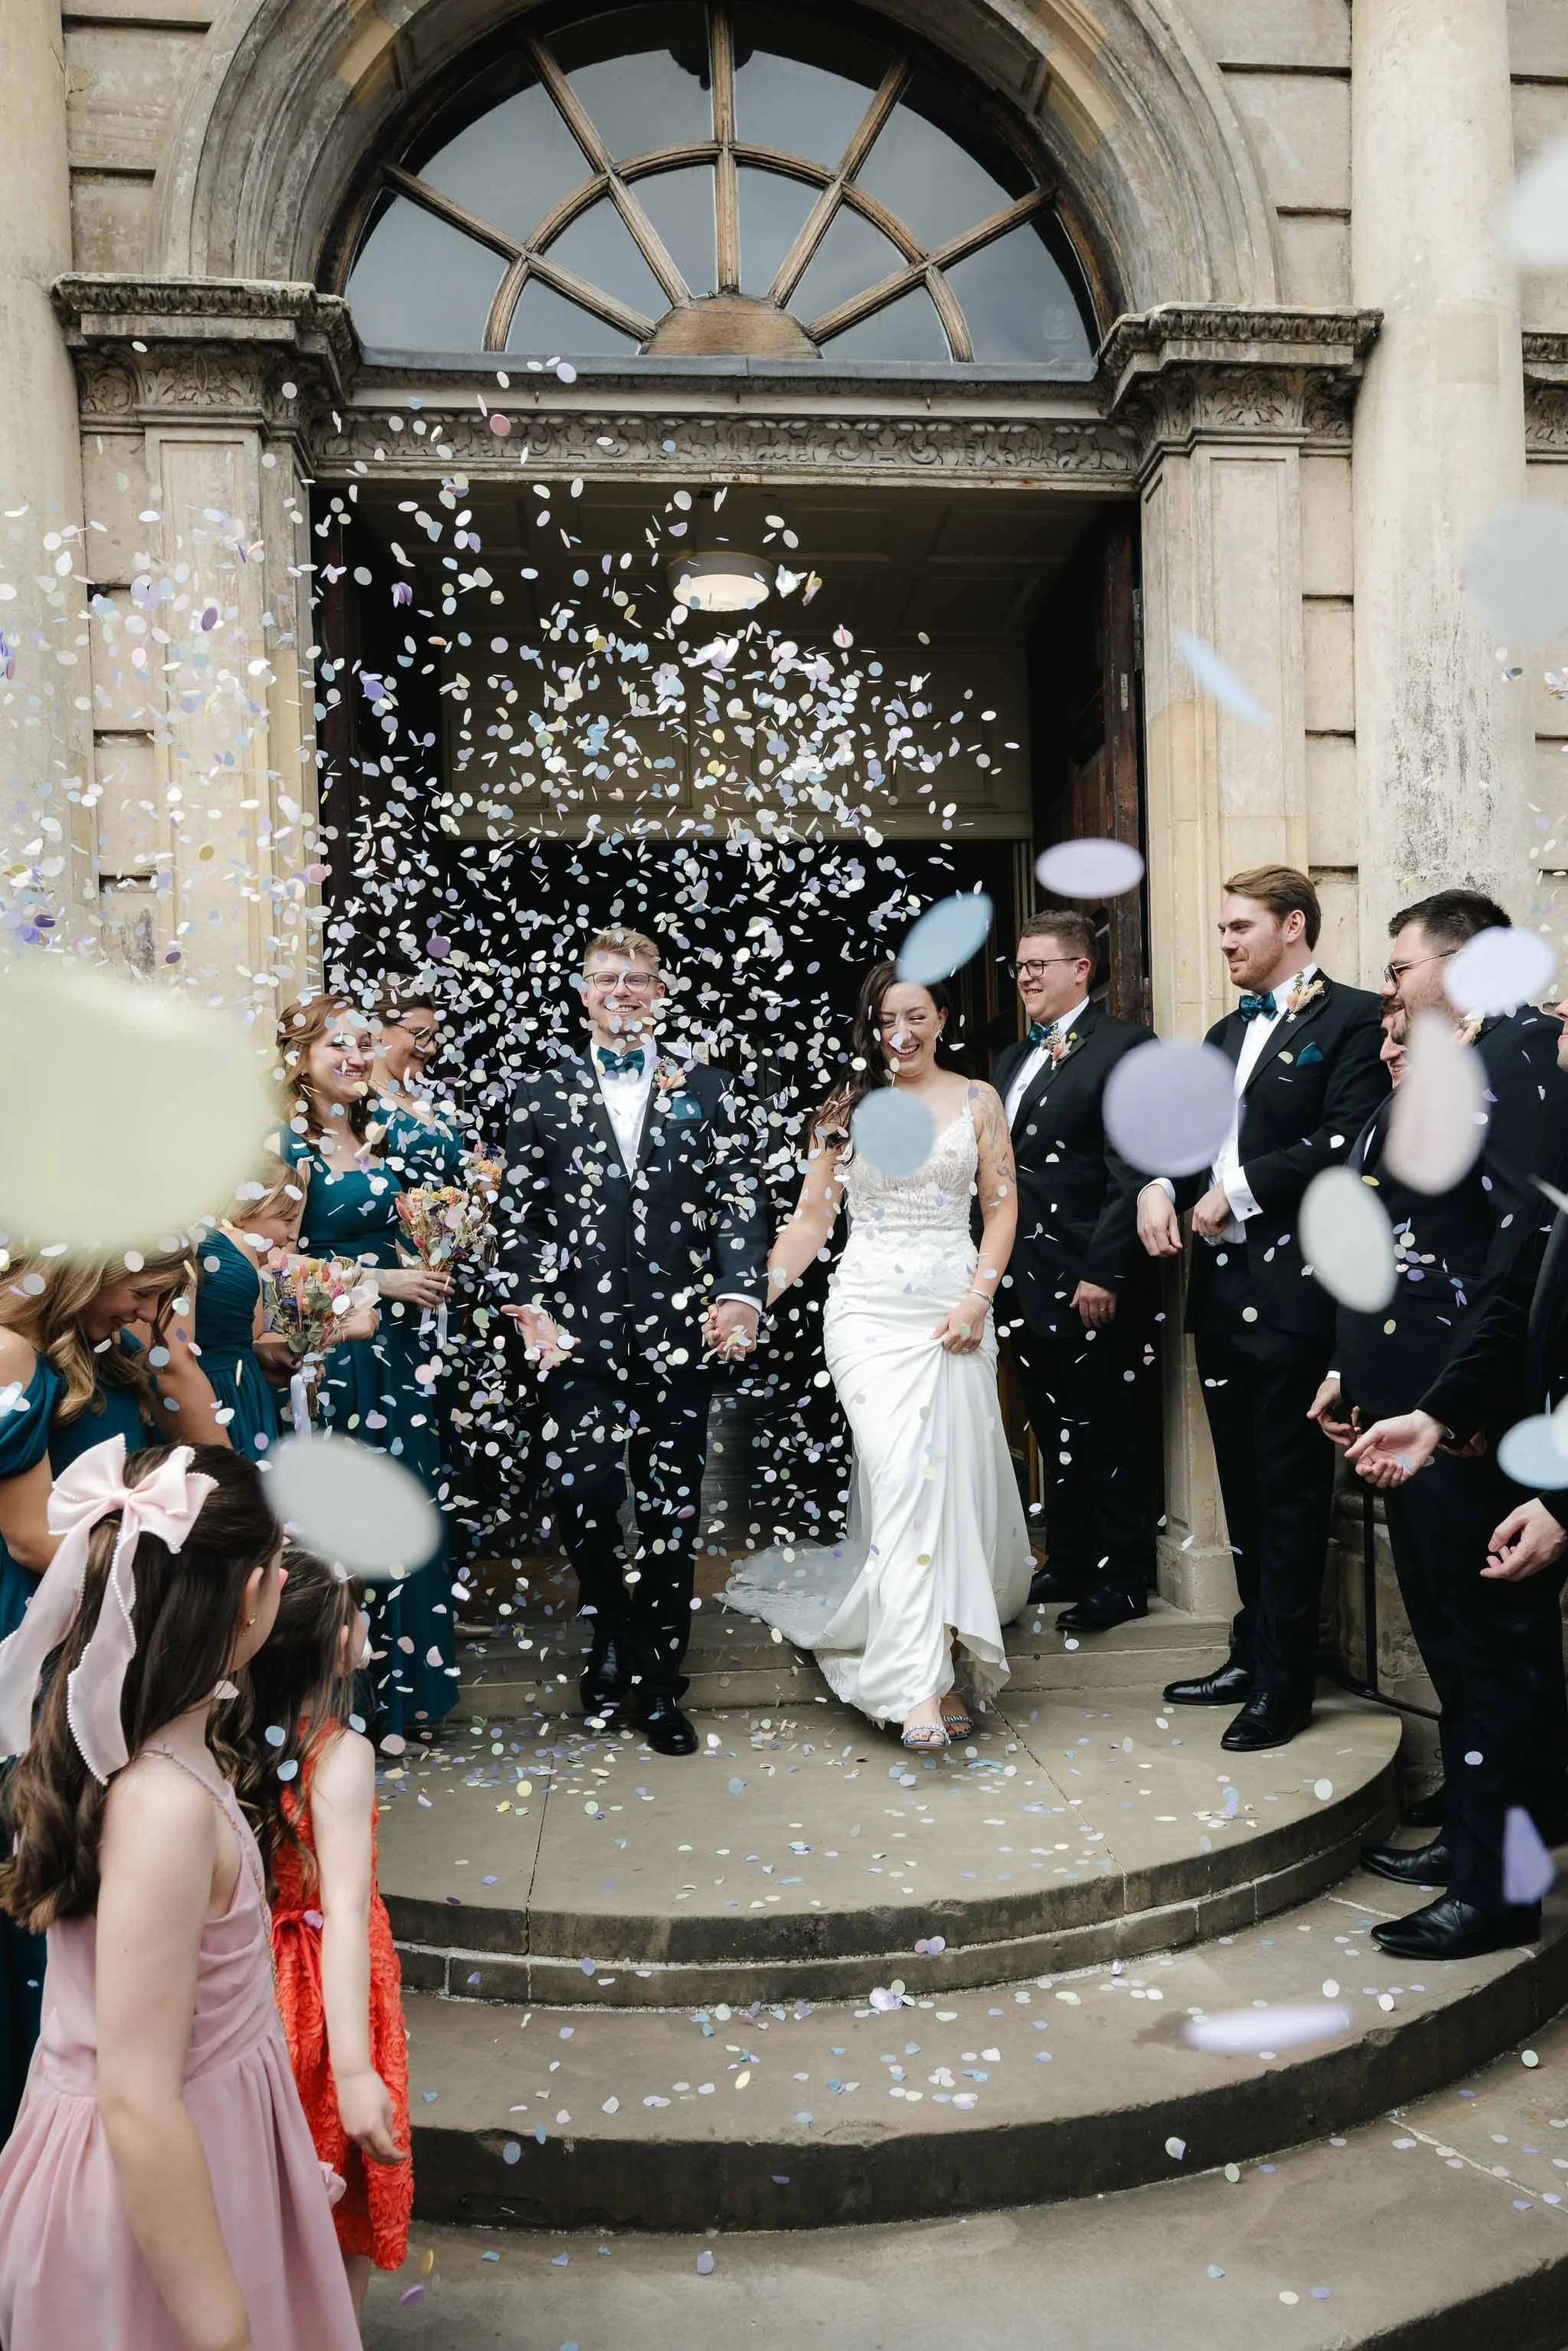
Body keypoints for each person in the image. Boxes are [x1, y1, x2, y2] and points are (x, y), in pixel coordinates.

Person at [0, 1438, 360, 2350]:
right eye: (281, 1563)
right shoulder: (160, 1805)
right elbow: (135, 2094)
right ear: (251, 1596)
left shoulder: (171, 1749)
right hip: (158, 2197)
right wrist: (218, 2320)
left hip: (210, 2145)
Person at [1316, 894, 1568, 1960]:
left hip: (1471, 1424)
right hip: (1427, 1405)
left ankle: (1496, 1886)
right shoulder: (1456, 1060)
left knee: (1486, 1656)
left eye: (1401, 965)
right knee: (1472, 1658)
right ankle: (1496, 1836)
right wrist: (1359, 1367)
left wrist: (1458, 1406)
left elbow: (1517, 1263)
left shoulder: (1513, 1056)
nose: (1389, 984)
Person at [724, 964, 1033, 1744]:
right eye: (886, 1017)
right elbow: (809, 1224)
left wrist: (976, 1298)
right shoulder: (839, 1114)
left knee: (950, 1485)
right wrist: (754, 1293)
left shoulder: (976, 1101)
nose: (902, 1030)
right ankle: (918, 1686)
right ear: (868, 1025)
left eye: (916, 1014)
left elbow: (1000, 1212)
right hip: (865, 1315)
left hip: (953, 1312)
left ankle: (942, 1657)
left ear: (940, 1018)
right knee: (902, 1477)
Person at [497, 927, 769, 1756]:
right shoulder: (537, 1093)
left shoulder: (710, 1088)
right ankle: (622, 1635)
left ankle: (656, 1679)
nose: (621, 989)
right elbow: (520, 1215)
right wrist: (528, 1305)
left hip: (679, 1332)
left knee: (668, 1507)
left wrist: (736, 1293)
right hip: (571, 1336)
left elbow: (737, 1200)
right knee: (581, 1494)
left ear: (660, 992)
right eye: (604, 976)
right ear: (580, 991)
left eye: (637, 978)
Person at [1137, 865, 1387, 1751]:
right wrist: (1161, 1187)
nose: (1225, 942)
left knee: (1287, 1496)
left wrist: (1234, 1193)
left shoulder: (1353, 1019)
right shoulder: (1219, 1031)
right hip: (1224, 1293)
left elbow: (1345, 1143)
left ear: (1292, 925)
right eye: (1220, 928)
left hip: (1295, 1296)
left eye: (1239, 926)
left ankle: (1284, 1683)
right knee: (1243, 1491)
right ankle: (1252, 1648)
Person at [0, 1247, 222, 2145]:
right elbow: (24, 1535)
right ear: (87, 1265)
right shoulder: (13, 1350)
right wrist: (163, 1578)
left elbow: (211, 1448)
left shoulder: (122, 1343)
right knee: (52, 1846)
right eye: (142, 1285)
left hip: (118, 1617)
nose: (150, 1303)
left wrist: (166, 1337)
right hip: (51, 1626)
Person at [225, 1547, 410, 2329]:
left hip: (247, 1982)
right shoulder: (341, 1754)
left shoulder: (224, 1738)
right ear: (337, 1640)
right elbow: (340, 1910)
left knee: (258, 2192)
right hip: (326, 1997)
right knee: (341, 2198)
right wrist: (356, 2067)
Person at [276, 995, 456, 1737]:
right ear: (300, 1060)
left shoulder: (375, 1129)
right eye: (336, 1047)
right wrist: (378, 1280)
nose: (354, 1058)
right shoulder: (284, 1146)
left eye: (359, 1044)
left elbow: (436, 1178)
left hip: (398, 1352)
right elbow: (271, 1256)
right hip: (339, 1355)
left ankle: (413, 1698)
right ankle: (353, 1703)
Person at [992, 907, 1160, 1631]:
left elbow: (1134, 1168)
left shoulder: (1126, 1048)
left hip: (1090, 1279)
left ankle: (1122, 1578)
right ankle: (1067, 1556)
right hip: (1024, 1276)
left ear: (1080, 969)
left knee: (1108, 1431)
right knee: (1051, 1426)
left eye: (1040, 964)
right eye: (1020, 965)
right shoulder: (1010, 1059)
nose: (1026, 976)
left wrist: (1105, 1271)